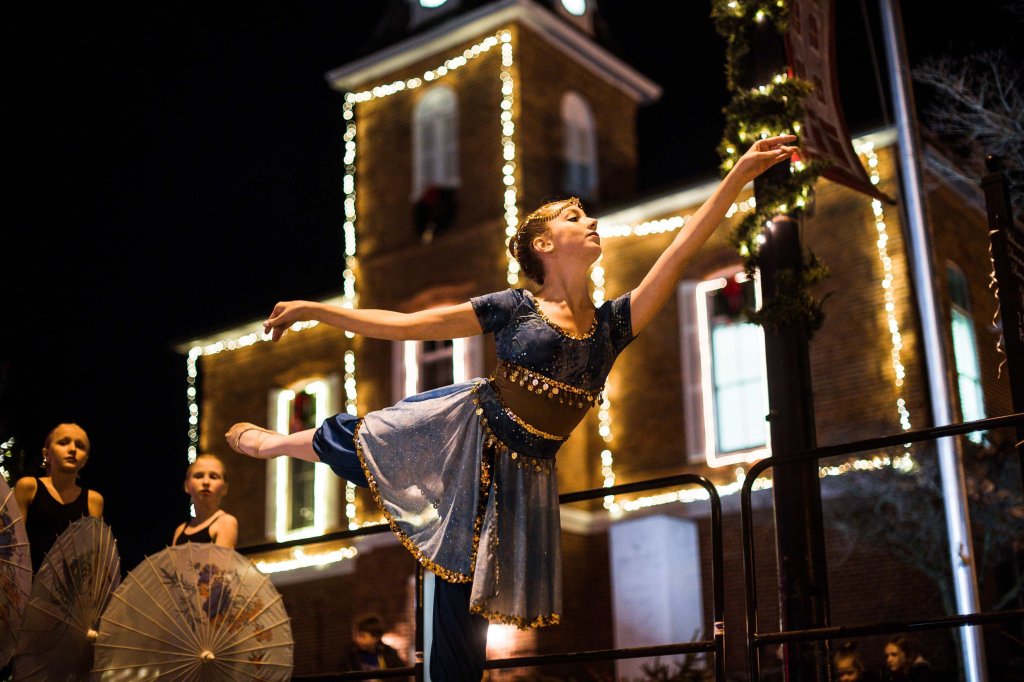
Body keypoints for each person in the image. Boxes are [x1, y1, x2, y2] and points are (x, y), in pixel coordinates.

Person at [225, 134, 798, 680]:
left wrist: (738, 176)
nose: (591, 220)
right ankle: (277, 444)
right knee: (363, 440)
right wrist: (316, 310)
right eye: (574, 216)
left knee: (465, 601)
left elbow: (681, 249)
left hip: (524, 476)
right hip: (466, 437)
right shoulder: (514, 306)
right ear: (544, 244)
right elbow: (406, 325)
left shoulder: (613, 325)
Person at [14, 423, 104, 573]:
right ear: (46, 454)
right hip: (28, 580)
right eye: (63, 443)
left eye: (80, 446)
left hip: (69, 587)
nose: (72, 449)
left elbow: (92, 554)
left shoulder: (93, 500)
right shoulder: (29, 487)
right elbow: (14, 542)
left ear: (85, 461)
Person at [171, 453, 238, 548]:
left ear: (224, 488)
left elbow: (221, 562)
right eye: (198, 476)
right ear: (186, 486)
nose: (206, 482)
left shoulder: (226, 522)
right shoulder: (180, 530)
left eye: (213, 477)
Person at [341, 615, 407, 678]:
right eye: (357, 635)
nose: (357, 639)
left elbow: (401, 676)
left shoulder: (389, 653)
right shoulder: (350, 655)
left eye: (362, 636)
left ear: (376, 637)